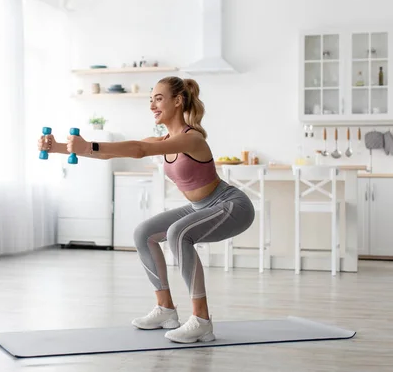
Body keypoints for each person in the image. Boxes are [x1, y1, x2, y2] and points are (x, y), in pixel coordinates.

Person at [37, 76, 255, 344]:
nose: (152, 104)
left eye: (159, 98)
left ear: (178, 101)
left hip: (231, 205)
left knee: (178, 232)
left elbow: (140, 150)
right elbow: (116, 152)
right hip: (202, 205)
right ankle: (165, 310)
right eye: (150, 99)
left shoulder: (192, 138)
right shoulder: (162, 139)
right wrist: (58, 147)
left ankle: (202, 321)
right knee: (144, 233)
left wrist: (88, 145)